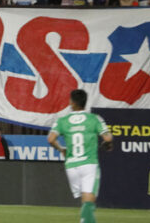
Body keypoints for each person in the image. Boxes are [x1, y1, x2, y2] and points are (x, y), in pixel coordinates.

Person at [48, 89, 113, 223]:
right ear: (85, 102)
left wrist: (61, 149)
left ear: (71, 102)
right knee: (89, 200)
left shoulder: (62, 121)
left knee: (84, 201)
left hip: (71, 166)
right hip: (89, 164)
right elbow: (107, 137)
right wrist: (108, 144)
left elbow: (51, 139)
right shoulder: (94, 119)